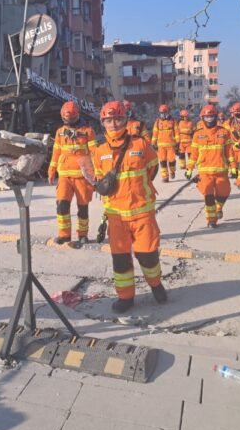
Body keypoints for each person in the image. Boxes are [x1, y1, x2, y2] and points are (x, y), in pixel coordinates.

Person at [93, 101, 166, 313]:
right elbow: (99, 179)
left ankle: (155, 284)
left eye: (118, 119)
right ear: (103, 123)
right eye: (108, 120)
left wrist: (139, 191)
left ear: (125, 120)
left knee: (148, 254)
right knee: (121, 259)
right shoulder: (99, 151)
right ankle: (125, 297)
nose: (113, 124)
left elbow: (153, 168)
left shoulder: (141, 145)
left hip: (142, 212)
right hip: (116, 216)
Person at [47, 101, 97, 246]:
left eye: (70, 120)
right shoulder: (60, 132)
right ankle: (64, 235)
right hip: (64, 176)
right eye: (65, 120)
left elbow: (94, 153)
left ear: (77, 116)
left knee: (82, 208)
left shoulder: (88, 131)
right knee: (62, 205)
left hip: (82, 176)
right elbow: (56, 152)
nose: (68, 122)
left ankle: (83, 235)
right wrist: (51, 170)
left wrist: (97, 174)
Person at [186, 104, 234, 227]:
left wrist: (233, 167)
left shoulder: (224, 132)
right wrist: (189, 169)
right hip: (204, 172)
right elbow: (194, 154)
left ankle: (219, 208)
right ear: (202, 118)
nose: (209, 119)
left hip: (221, 171)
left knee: (224, 193)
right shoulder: (198, 134)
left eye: (211, 116)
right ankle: (211, 220)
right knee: (208, 195)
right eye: (207, 117)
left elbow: (229, 151)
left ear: (216, 117)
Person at [151, 104, 179, 182]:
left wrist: (178, 142)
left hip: (171, 145)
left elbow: (176, 132)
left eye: (165, 113)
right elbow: (155, 133)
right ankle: (165, 177)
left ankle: (172, 171)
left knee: (171, 161)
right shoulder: (157, 122)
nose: (163, 115)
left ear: (168, 112)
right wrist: (153, 143)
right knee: (162, 162)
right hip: (161, 146)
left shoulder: (173, 122)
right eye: (162, 113)